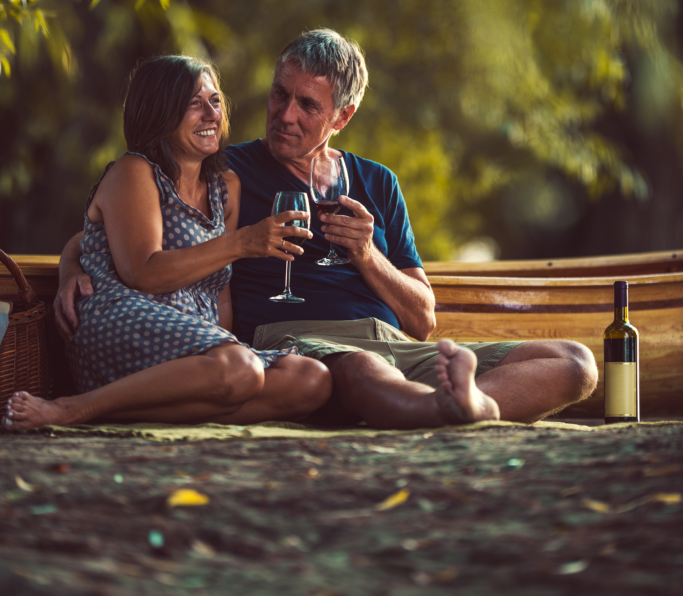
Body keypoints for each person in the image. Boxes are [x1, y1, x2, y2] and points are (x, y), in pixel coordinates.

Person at [52, 31, 598, 430]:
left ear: (343, 116)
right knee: (358, 369)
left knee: (574, 362)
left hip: (392, 343)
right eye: (278, 95)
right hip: (298, 343)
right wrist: (70, 269)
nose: (285, 115)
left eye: (307, 105)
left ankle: (465, 404)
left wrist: (368, 255)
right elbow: (117, 227)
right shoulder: (228, 170)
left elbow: (423, 319)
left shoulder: (378, 183)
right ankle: (447, 407)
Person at [2, 55, 331, 432]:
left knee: (310, 380)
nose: (211, 114)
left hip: (190, 338)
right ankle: (74, 409)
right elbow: (143, 272)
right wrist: (242, 243)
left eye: (215, 100)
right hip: (123, 320)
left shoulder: (227, 188)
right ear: (159, 112)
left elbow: (219, 292)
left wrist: (222, 349)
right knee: (242, 371)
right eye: (194, 103)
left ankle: (130, 407)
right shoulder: (135, 172)